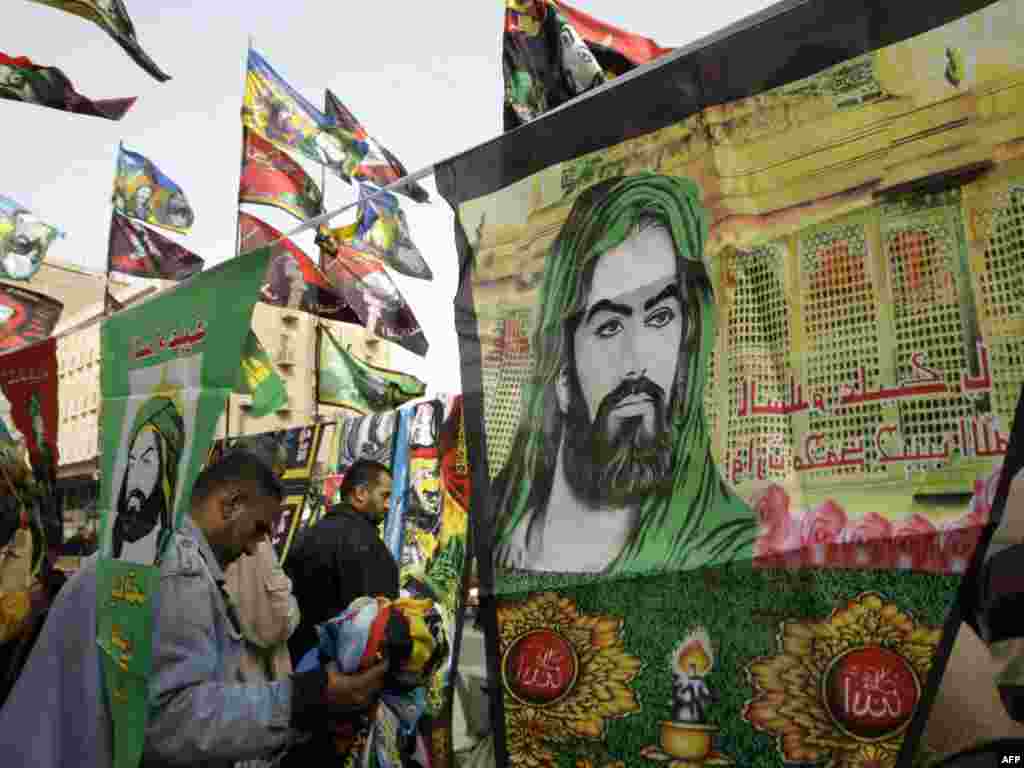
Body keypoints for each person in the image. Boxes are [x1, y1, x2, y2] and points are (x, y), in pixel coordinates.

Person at [0, 447, 389, 768]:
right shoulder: (176, 568)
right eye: (258, 529)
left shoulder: (146, 549)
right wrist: (306, 698)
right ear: (231, 504)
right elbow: (172, 721)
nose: (256, 547)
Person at [492, 173, 757, 574]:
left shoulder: (725, 546)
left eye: (661, 317)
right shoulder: (497, 535)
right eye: (609, 327)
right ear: (562, 377)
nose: (638, 363)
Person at [285, 459, 398, 667]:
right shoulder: (370, 547)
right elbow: (377, 628)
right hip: (344, 681)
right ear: (360, 493)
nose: (389, 505)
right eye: (385, 495)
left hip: (299, 670)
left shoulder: (306, 535)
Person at [109, 394, 184, 563]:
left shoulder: (181, 560)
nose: (134, 479)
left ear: (166, 472)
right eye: (132, 461)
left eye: (147, 461)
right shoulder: (101, 559)